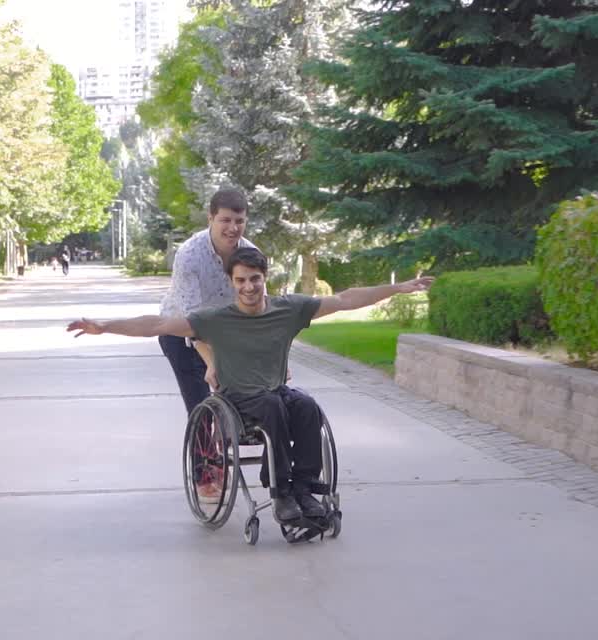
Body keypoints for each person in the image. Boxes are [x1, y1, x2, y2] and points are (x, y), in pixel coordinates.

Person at [67, 247, 433, 526]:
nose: (248, 287)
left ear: (264, 279)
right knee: (272, 406)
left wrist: (399, 288)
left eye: (254, 279)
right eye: (240, 280)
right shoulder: (215, 320)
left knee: (306, 406)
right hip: (236, 401)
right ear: (232, 282)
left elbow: (345, 299)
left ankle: (304, 487)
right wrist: (104, 325)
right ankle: (280, 492)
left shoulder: (288, 310)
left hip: (274, 391)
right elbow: (157, 325)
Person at [157, 188, 259, 415]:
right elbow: (192, 320)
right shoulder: (189, 255)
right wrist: (211, 362)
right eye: (225, 220)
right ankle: (205, 447)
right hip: (180, 332)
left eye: (239, 221)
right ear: (210, 218)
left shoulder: (251, 253)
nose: (233, 228)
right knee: (201, 406)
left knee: (245, 396)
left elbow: (258, 308)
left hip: (223, 331)